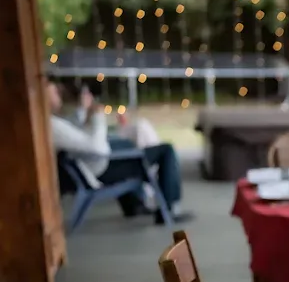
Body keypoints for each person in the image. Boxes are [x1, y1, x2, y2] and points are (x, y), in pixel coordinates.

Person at [47, 80, 191, 223]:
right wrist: (98, 116)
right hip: (100, 169)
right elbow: (96, 147)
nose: (59, 94)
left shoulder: (52, 123)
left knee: (127, 143)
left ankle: (134, 204)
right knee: (166, 150)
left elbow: (79, 137)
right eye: (54, 91)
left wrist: (85, 112)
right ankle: (169, 209)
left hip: (90, 165)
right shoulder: (53, 125)